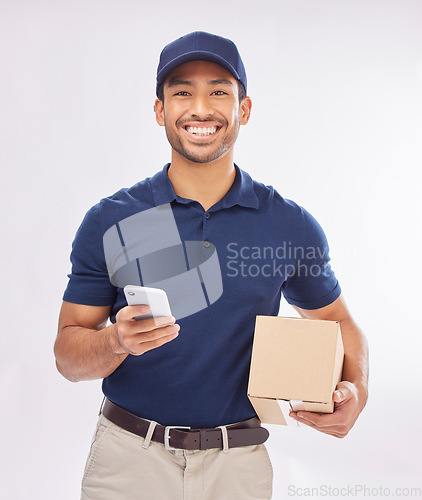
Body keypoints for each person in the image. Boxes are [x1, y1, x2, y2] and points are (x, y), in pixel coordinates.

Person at [54, 31, 369, 500]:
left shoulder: (288, 224)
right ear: (160, 110)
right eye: (182, 91)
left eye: (219, 90)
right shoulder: (113, 219)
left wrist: (356, 391)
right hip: (127, 461)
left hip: (237, 466)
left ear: (243, 109)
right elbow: (67, 355)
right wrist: (115, 340)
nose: (200, 108)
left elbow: (338, 321)